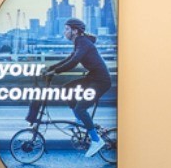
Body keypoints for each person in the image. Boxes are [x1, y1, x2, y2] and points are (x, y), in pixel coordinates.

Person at [29, 18, 113, 157]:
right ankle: (80, 121)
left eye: (67, 29)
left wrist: (55, 72)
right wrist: (50, 68)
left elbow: (74, 62)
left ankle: (96, 140)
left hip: (101, 82)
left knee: (81, 108)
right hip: (93, 78)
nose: (64, 32)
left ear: (75, 31)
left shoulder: (83, 42)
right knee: (66, 89)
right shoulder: (78, 42)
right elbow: (69, 58)